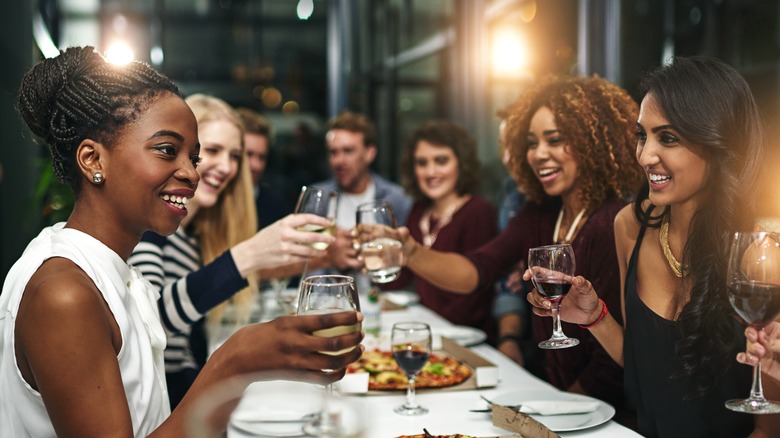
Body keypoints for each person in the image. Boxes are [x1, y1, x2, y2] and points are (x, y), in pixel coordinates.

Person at [0, 46, 363, 437]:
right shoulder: (63, 293)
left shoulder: (122, 273)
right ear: (92, 160)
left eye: (193, 157)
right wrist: (233, 363)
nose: (190, 173)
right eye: (167, 150)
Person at [527, 56, 780, 436]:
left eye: (669, 138)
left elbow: (767, 429)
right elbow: (645, 372)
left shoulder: (761, 256)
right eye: (642, 135)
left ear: (719, 143)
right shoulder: (630, 226)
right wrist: (594, 317)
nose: (645, 156)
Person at [394, 75, 643, 424]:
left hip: (604, 418)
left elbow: (617, 355)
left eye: (554, 140)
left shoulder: (613, 221)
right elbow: (477, 270)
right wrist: (410, 252)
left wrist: (553, 415)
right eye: (531, 142)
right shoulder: (539, 213)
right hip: (554, 399)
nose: (539, 154)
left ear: (592, 143)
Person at [129, 94, 318, 407]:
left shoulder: (190, 234)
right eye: (212, 151)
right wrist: (248, 255)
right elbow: (151, 320)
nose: (227, 167)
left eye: (235, 156)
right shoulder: (150, 230)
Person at [387, 120, 498, 341]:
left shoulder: (477, 211)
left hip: (469, 339)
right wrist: (380, 259)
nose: (431, 172)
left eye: (441, 161)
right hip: (430, 331)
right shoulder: (420, 211)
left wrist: (424, 330)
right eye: (422, 163)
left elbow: (474, 300)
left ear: (462, 163)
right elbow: (400, 279)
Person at [235, 107, 290, 229]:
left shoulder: (275, 206)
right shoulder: (211, 199)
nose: (257, 165)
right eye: (248, 155)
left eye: (262, 157)